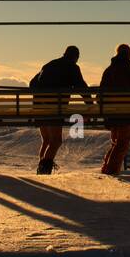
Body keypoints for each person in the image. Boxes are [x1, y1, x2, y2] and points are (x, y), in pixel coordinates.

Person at [30, 45, 88, 174]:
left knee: (47, 140)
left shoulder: (49, 65)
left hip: (39, 108)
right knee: (56, 141)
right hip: (55, 109)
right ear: (76, 57)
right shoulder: (72, 67)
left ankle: (42, 168)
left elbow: (32, 83)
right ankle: (44, 170)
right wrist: (90, 103)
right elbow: (81, 87)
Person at [98, 43, 130, 176]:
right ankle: (111, 171)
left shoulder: (109, 70)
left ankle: (106, 167)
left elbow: (101, 93)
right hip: (127, 113)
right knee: (122, 144)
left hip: (111, 114)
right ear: (128, 53)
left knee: (116, 143)